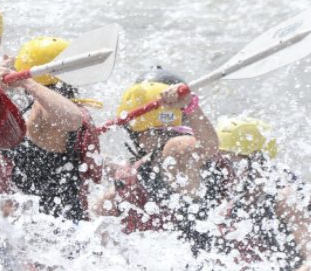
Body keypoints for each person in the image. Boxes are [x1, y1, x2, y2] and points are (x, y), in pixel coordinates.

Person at [91, 69, 227, 252]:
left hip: (202, 265)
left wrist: (191, 105)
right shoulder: (140, 168)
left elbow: (209, 147)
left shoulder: (177, 148)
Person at [213, 117, 311, 271]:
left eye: (229, 161)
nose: (222, 169)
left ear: (256, 160)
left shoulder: (284, 199)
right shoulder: (230, 198)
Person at [0, 37, 102, 222]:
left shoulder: (44, 112)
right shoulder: (52, 106)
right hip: (57, 225)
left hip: (46, 231)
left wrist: (27, 83)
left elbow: (72, 119)